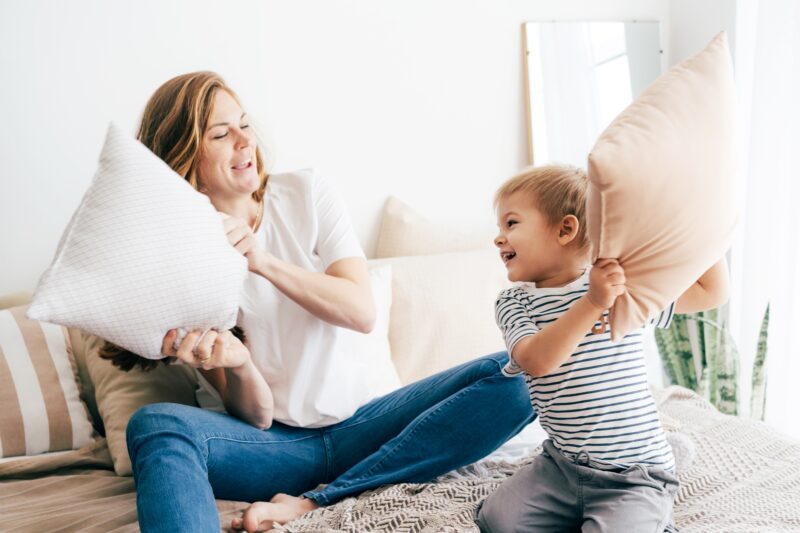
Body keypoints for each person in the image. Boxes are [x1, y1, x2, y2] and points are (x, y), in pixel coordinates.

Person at [108, 71, 535, 533]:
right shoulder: (184, 263)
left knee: (525, 371)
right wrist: (239, 363)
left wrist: (261, 260)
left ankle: (315, 503)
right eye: (220, 134)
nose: (244, 142)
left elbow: (360, 310)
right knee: (155, 425)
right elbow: (255, 414)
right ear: (185, 157)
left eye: (244, 125)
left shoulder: (307, 194)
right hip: (275, 447)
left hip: (373, 428)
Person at [475, 165, 729, 532]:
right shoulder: (514, 303)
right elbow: (537, 361)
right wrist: (592, 303)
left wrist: (697, 217)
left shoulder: (619, 290)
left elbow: (711, 292)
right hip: (563, 465)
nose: (498, 239)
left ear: (565, 229)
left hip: (634, 472)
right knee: (496, 520)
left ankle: (655, 494)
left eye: (511, 224)